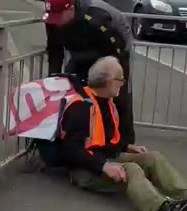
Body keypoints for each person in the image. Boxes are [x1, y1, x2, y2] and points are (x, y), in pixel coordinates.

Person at [60, 56, 187, 211]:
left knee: (152, 158)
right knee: (131, 169)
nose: (123, 83)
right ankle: (161, 209)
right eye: (120, 79)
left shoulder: (106, 102)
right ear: (108, 81)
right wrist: (104, 166)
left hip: (105, 158)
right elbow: (72, 151)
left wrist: (126, 147)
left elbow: (104, 139)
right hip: (85, 170)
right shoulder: (80, 107)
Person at [43, 0, 135, 146]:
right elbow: (55, 52)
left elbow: (116, 47)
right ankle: (78, 139)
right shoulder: (53, 20)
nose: (56, 22)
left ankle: (125, 142)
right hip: (80, 50)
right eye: (53, 16)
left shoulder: (96, 16)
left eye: (59, 16)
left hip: (113, 46)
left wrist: (114, 73)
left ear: (71, 9)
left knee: (115, 91)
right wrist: (51, 81)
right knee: (73, 90)